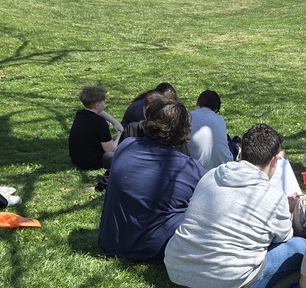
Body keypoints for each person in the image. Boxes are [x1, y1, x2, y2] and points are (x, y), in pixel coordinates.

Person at [164, 124, 306, 288]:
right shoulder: (273, 196)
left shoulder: (211, 175)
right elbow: (283, 237)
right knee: (301, 247)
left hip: (178, 269)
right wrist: (288, 209)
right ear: (274, 161)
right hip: (225, 282)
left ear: (241, 153)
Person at [99, 98, 205, 262]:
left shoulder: (126, 145)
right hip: (154, 249)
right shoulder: (190, 168)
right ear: (184, 129)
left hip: (112, 241)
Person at [68, 85, 122, 170]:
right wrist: (119, 136)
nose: (105, 103)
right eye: (103, 101)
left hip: (77, 160)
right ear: (97, 105)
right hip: (92, 163)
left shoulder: (80, 114)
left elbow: (99, 111)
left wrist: (114, 122)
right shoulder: (100, 123)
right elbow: (110, 150)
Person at [188, 90, 234, 170]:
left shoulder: (188, 116)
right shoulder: (220, 119)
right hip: (223, 165)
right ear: (216, 109)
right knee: (228, 139)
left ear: (197, 103)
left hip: (194, 166)